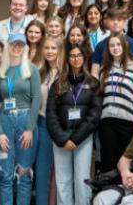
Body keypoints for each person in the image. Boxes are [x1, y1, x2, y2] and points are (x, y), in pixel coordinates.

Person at [46, 44, 102, 205]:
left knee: (82, 180)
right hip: (61, 140)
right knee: (63, 181)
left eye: (79, 55)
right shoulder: (58, 83)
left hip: (83, 139)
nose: (75, 58)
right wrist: (63, 138)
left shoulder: (93, 83)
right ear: (67, 59)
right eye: (72, 56)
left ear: (84, 58)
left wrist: (75, 138)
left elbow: (94, 116)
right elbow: (51, 115)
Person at [0, 33, 41, 205]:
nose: (17, 47)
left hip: (25, 121)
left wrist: (29, 129)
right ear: (8, 46)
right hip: (5, 123)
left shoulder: (31, 69)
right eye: (13, 44)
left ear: (25, 47)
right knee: (5, 175)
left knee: (24, 175)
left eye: (20, 44)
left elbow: (36, 99)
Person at [98, 34, 133, 172]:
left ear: (124, 46)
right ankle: (108, 192)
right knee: (109, 163)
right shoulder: (104, 70)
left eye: (118, 44)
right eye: (112, 45)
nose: (115, 48)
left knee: (126, 164)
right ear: (108, 49)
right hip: (107, 122)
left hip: (129, 121)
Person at [33, 36, 65, 205]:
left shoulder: (66, 73)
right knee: (42, 171)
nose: (50, 52)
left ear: (60, 51)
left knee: (59, 173)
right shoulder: (38, 72)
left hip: (61, 126)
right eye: (47, 48)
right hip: (42, 124)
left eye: (53, 48)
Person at [91, 7, 133, 77]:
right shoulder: (100, 45)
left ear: (124, 22)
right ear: (107, 22)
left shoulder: (131, 43)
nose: (115, 22)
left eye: (119, 20)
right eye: (112, 20)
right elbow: (94, 72)